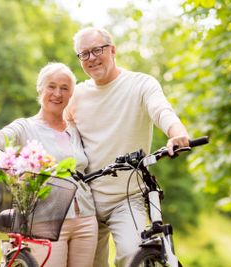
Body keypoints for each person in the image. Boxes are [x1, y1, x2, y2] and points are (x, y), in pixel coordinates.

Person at [0, 62, 98, 267]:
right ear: (40, 89)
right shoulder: (25, 127)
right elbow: (0, 137)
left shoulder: (76, 129)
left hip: (86, 219)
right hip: (46, 221)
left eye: (64, 88)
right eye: (51, 86)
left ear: (71, 94)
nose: (57, 93)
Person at [65, 27, 190, 267]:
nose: (91, 58)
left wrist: (177, 133)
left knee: (133, 256)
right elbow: (54, 127)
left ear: (112, 50)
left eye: (97, 50)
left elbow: (161, 110)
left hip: (126, 197)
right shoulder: (76, 95)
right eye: (84, 54)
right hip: (86, 199)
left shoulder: (140, 84)